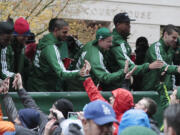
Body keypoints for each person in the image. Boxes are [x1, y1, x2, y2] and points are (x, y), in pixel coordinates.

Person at [2, 73, 77, 135]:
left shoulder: (59, 131)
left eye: (54, 110)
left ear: (58, 115)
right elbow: (31, 105)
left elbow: (15, 123)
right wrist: (20, 88)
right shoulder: (47, 121)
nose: (50, 110)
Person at [27, 18, 90, 91]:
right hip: (42, 88)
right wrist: (79, 72)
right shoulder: (50, 48)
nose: (67, 35)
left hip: (37, 85)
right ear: (56, 30)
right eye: (64, 32)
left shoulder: (44, 41)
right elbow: (62, 73)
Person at [107, 12, 163, 90]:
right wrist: (149, 66)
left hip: (118, 83)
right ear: (118, 24)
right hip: (116, 85)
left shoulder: (120, 40)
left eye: (129, 23)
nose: (129, 26)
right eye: (126, 23)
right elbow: (128, 66)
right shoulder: (118, 43)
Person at [67, 27, 136, 91]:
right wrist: (123, 72)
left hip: (74, 85)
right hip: (78, 89)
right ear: (100, 40)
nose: (111, 44)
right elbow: (105, 78)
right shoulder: (95, 56)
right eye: (109, 41)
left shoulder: (90, 44)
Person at [141, 24, 180, 91]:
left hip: (166, 88)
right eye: (174, 37)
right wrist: (177, 69)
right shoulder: (155, 48)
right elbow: (161, 65)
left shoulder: (170, 47)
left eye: (177, 38)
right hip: (152, 89)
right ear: (165, 35)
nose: (176, 40)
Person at [0, 17, 31, 89]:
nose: (26, 38)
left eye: (27, 36)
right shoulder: (6, 47)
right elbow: (4, 70)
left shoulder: (21, 47)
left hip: (10, 84)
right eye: (23, 36)